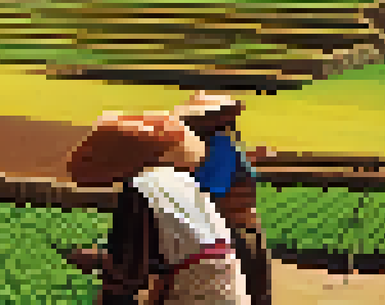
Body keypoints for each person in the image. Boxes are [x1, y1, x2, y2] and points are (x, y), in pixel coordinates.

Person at [63, 110, 250, 305]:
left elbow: (126, 277)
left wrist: (102, 266)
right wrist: (103, 260)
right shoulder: (182, 182)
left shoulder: (140, 190)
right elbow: (168, 257)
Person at [175, 92, 273, 305]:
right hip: (233, 230)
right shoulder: (218, 145)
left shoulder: (216, 146)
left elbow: (211, 193)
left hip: (228, 232)